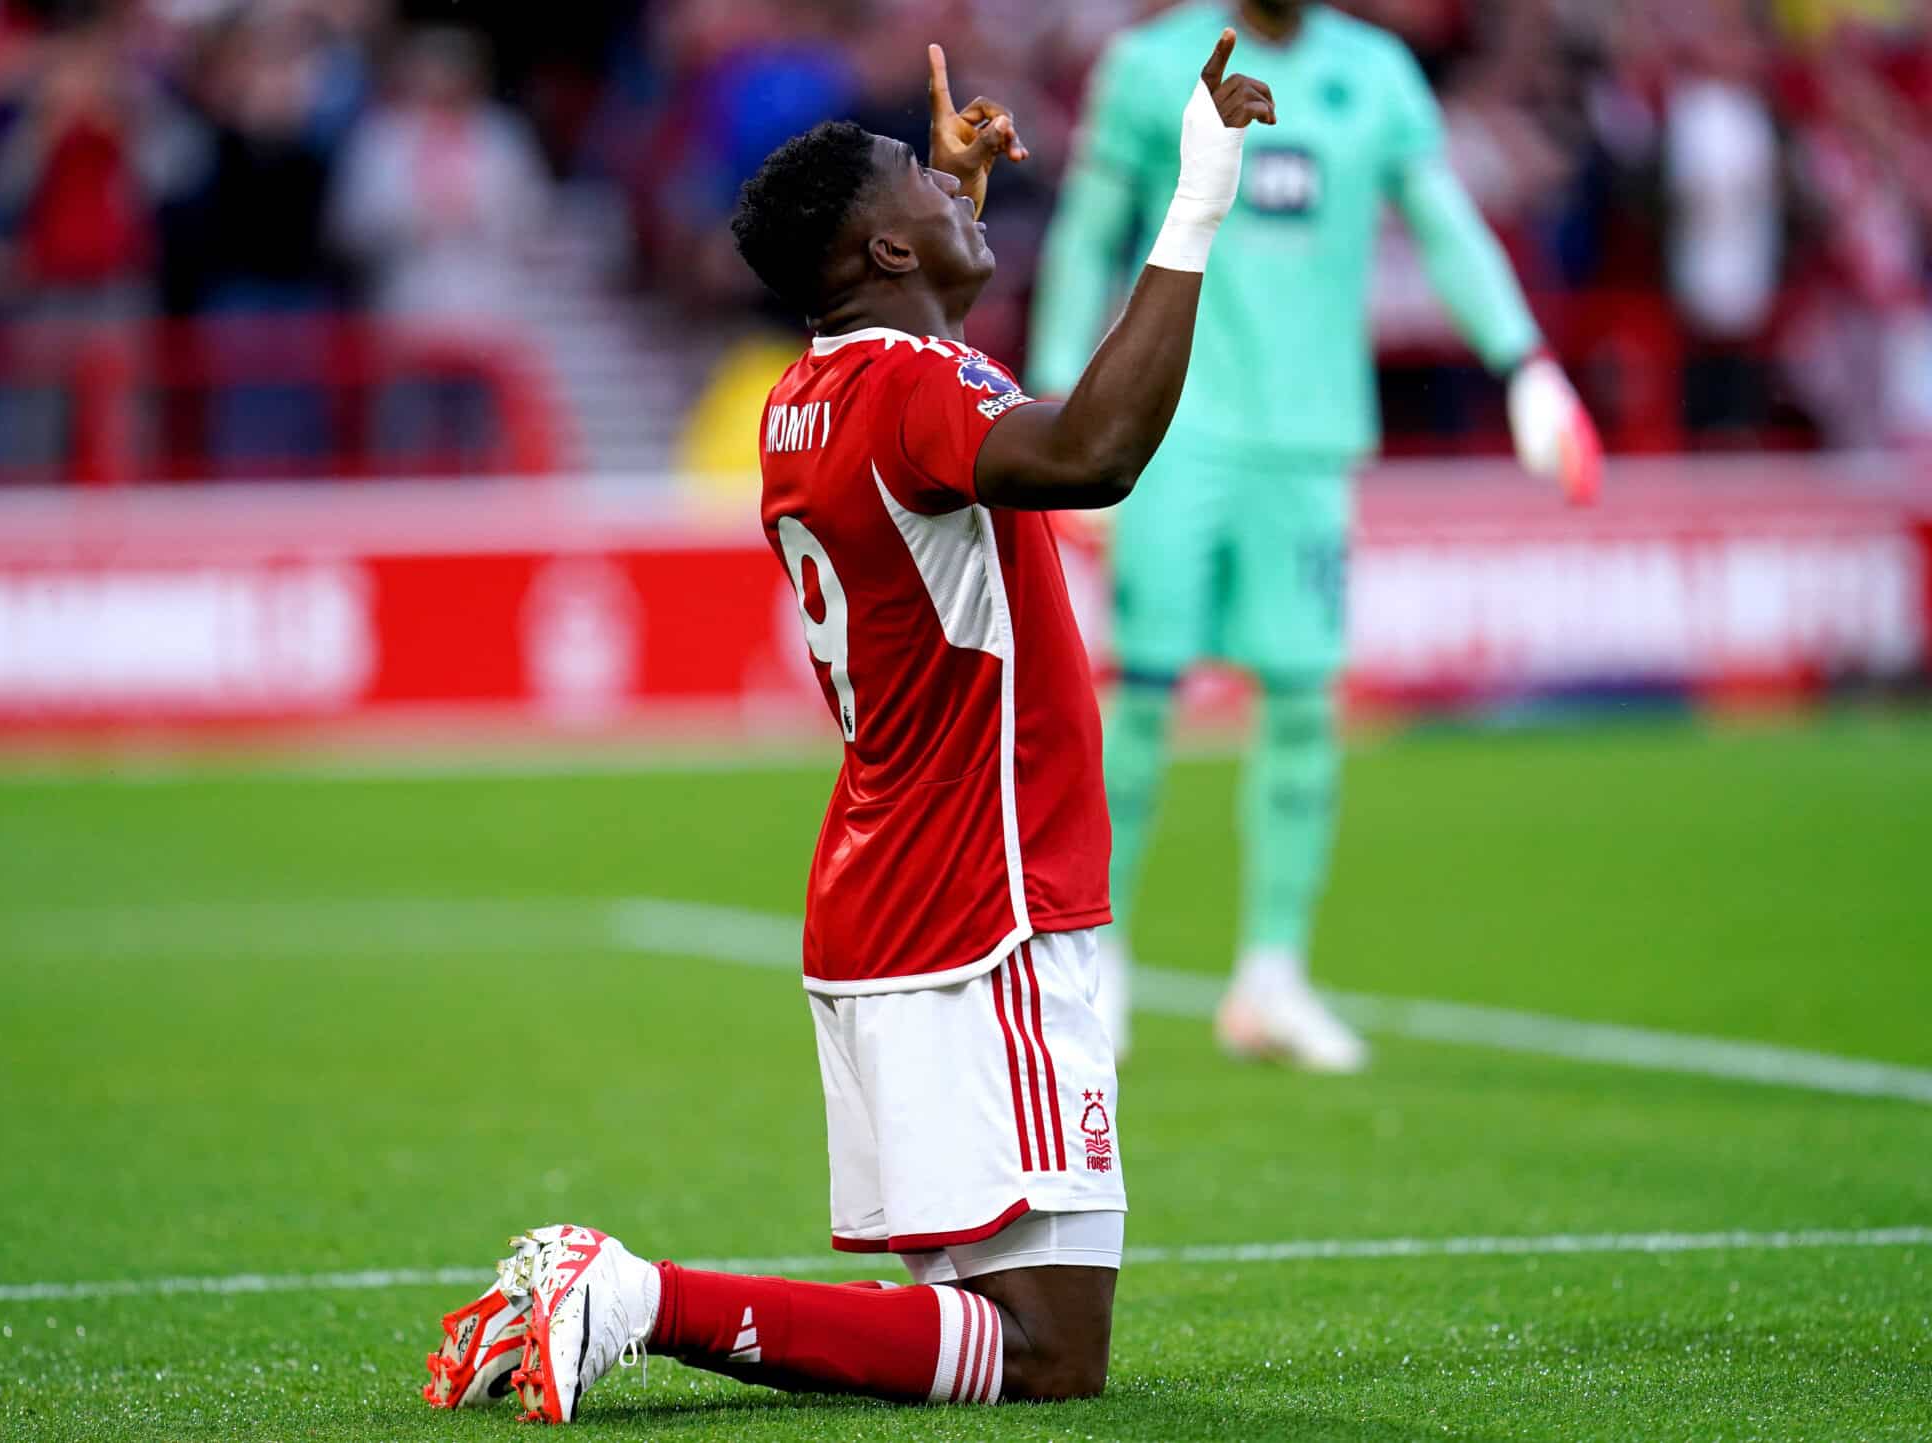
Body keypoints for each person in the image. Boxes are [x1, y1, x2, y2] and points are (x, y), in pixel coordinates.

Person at [419, 32, 1274, 1424]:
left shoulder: (808, 401)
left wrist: (941, 204)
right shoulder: (910, 395)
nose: (955, 195)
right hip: (984, 896)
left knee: (990, 1330)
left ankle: (630, 1298)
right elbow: (1092, 453)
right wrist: (1201, 197)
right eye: (920, 192)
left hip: (888, 895)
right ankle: (631, 1293)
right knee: (1052, 1349)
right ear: (876, 256)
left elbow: (921, 373)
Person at [1028, 0, 1603, 1073]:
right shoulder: (1152, 64)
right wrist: (1064, 404)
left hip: (1308, 436)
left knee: (1299, 699)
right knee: (1139, 693)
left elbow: (1443, 221)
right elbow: (1086, 226)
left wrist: (1523, 361)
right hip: (1173, 425)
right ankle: (1094, 959)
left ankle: (1270, 976)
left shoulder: (1373, 73)